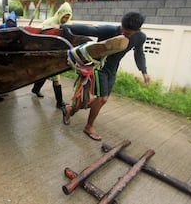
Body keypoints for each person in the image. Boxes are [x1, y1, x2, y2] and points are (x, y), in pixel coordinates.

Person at [61, 12, 151, 141]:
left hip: (112, 70)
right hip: (99, 67)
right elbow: (89, 29)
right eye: (123, 30)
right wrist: (63, 26)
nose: (124, 34)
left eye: (128, 33)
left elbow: (139, 53)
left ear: (138, 30)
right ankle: (89, 126)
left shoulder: (140, 37)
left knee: (99, 101)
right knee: (102, 99)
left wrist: (144, 71)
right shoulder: (110, 30)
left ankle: (70, 109)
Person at [31, 2, 73, 109]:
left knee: (46, 73)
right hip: (47, 52)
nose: (65, 19)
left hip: (57, 53)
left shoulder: (67, 25)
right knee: (55, 78)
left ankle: (36, 89)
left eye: (67, 17)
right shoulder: (49, 22)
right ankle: (59, 102)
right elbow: (38, 34)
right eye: (64, 17)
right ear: (60, 14)